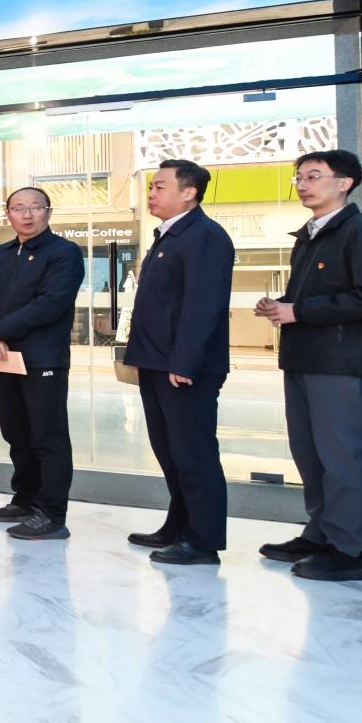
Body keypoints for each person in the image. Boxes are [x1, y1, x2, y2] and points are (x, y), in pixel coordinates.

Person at [252, 150, 362, 582]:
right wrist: (280, 306)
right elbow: (310, 299)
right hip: (303, 357)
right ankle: (318, 533)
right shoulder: (310, 235)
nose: (302, 184)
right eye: (299, 177)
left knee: (339, 457)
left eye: (314, 176)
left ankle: (346, 549)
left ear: (345, 183)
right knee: (308, 452)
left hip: (338, 361)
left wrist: (300, 311)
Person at [122, 159, 235, 566]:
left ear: (189, 193)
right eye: (152, 186)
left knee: (193, 453)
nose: (151, 193)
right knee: (170, 451)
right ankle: (179, 525)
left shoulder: (205, 236)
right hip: (156, 362)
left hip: (184, 368)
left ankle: (203, 541)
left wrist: (185, 362)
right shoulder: (168, 235)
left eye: (160, 186)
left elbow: (203, 306)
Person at [0, 187, 84, 541]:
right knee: (16, 432)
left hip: (43, 359)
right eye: (19, 208)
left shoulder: (64, 253)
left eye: (36, 207)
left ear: (48, 212)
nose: (27, 214)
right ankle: (25, 500)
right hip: (4, 356)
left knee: (47, 436)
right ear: (8, 214)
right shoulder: (0, 254)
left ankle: (52, 514)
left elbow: (50, 304)